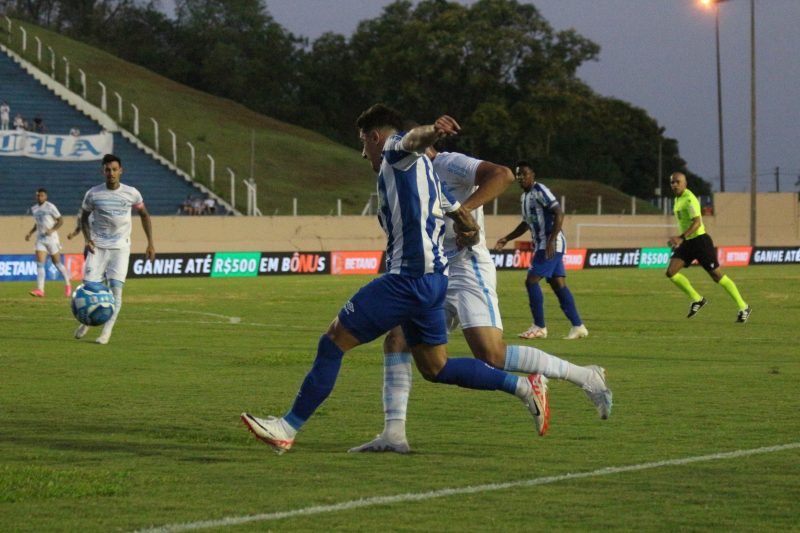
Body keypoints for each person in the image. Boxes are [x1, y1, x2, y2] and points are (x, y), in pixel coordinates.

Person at [241, 104, 549, 455]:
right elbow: (456, 211)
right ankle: (524, 388)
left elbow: (411, 140)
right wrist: (467, 223)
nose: (362, 152)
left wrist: (433, 130)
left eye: (362, 142)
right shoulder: (428, 175)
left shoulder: (394, 151)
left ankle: (287, 427)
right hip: (434, 283)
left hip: (408, 280)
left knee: (333, 342)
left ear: (375, 137)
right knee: (436, 366)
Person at [349, 147, 612, 453]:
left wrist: (462, 213)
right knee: (405, 347)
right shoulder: (401, 179)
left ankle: (585, 376)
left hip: (466, 267)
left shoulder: (447, 162)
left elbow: (502, 175)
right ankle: (393, 435)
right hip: (433, 272)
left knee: (492, 354)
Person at [494, 162, 588, 340]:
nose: (522, 178)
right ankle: (578, 326)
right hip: (543, 245)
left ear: (533, 175)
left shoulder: (540, 190)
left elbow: (559, 213)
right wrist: (507, 238)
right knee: (558, 284)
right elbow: (526, 224)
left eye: (525, 174)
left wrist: (551, 241)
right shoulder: (525, 197)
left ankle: (539, 326)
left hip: (550, 245)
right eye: (519, 175)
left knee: (531, 281)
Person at [74, 153, 156, 344]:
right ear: (102, 171)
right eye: (107, 169)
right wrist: (87, 239)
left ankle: (106, 332)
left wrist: (150, 243)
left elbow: (144, 215)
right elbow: (84, 218)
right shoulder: (93, 194)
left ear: (121, 171)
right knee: (89, 289)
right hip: (98, 247)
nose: (111, 173)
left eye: (114, 169)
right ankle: (87, 321)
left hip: (120, 248)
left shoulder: (132, 193)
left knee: (116, 290)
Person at [665, 172, 751, 322]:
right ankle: (697, 299)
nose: (674, 185)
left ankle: (743, 306)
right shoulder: (677, 199)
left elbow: (697, 223)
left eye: (678, 182)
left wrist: (680, 237)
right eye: (672, 182)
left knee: (717, 276)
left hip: (700, 242)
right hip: (688, 243)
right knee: (671, 272)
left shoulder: (689, 199)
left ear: (685, 183)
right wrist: (682, 239)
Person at [24, 188, 72, 298]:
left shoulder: (50, 206)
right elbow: (37, 224)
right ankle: (40, 290)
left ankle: (68, 285)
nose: (39, 197)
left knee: (57, 263)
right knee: (40, 264)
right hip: (40, 239)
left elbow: (60, 220)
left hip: (52, 239)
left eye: (42, 195)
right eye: (38, 195)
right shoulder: (34, 209)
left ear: (46, 197)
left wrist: (52, 230)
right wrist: (30, 233)